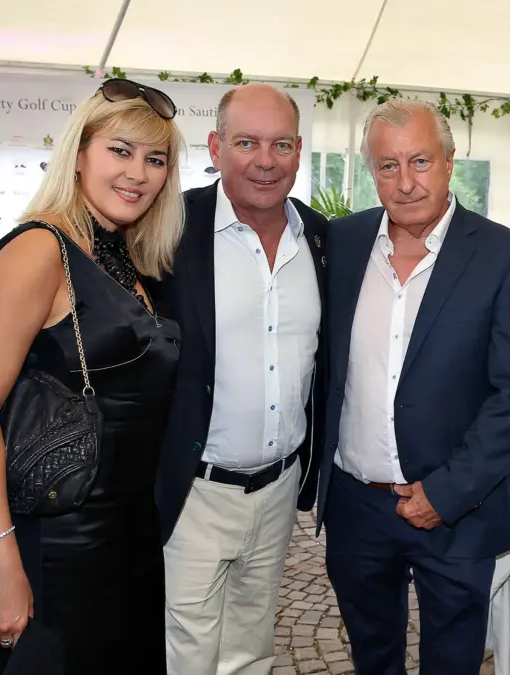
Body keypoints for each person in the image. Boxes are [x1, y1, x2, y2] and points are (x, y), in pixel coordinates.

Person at [0, 77, 185, 674]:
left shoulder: (127, 257)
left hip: (127, 542)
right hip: (54, 547)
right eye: (119, 151)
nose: (137, 173)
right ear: (78, 154)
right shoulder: (39, 249)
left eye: (155, 159)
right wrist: (0, 563)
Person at [317, 97, 510, 675]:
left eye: (419, 161)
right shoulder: (341, 244)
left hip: (457, 508)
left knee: (452, 663)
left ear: (449, 161)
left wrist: (445, 494)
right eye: (388, 166)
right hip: (357, 504)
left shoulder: (503, 256)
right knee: (372, 658)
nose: (405, 182)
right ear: (371, 172)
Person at [155, 83, 327, 675]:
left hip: (278, 489)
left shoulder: (320, 238)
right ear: (215, 147)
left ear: (299, 150)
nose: (265, 161)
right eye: (247, 142)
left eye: (281, 144)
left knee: (251, 650)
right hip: (195, 491)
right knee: (187, 654)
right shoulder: (169, 228)